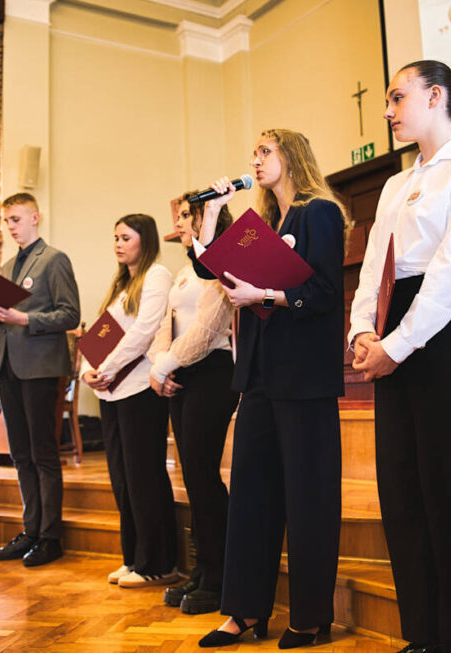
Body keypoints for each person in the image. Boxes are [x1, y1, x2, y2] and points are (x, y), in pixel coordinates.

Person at [348, 61, 451, 653]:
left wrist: (395, 344)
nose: (389, 109)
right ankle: (425, 636)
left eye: (398, 96)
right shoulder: (396, 183)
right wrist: (362, 331)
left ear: (436, 96)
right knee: (403, 493)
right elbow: (374, 267)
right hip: (396, 329)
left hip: (449, 336)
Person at [193, 129, 347, 649]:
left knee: (308, 498)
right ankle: (243, 612)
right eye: (253, 152)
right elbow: (210, 267)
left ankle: (308, 617)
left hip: (304, 377)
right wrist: (215, 215)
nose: (255, 160)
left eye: (265, 151)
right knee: (251, 498)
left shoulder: (318, 211)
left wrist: (269, 294)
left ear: (292, 156)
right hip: (259, 375)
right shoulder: (266, 224)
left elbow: (325, 292)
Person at [147, 196, 237, 614]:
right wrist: (161, 367)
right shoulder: (186, 271)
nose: (180, 222)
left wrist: (166, 364)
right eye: (180, 215)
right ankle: (202, 570)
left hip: (213, 372)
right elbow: (168, 325)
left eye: (188, 215)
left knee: (203, 476)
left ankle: (220, 577)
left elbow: (209, 328)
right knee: (192, 477)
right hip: (181, 373)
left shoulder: (221, 264)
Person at [81, 213, 179, 589]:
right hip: (111, 391)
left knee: (144, 476)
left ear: (145, 240)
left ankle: (157, 562)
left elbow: (144, 332)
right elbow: (100, 335)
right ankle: (134, 557)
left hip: (139, 390)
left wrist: (104, 367)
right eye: (115, 237)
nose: (118, 243)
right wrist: (89, 372)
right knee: (122, 478)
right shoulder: (122, 286)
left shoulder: (157, 275)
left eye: (125, 237)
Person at [0, 193, 81, 568]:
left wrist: (23, 319)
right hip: (8, 365)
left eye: (16, 219)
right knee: (19, 454)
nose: (10, 226)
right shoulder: (7, 266)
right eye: (6, 221)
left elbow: (70, 314)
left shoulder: (53, 259)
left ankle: (50, 537)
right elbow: (7, 320)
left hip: (41, 367)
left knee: (42, 453)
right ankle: (30, 530)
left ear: (35, 217)